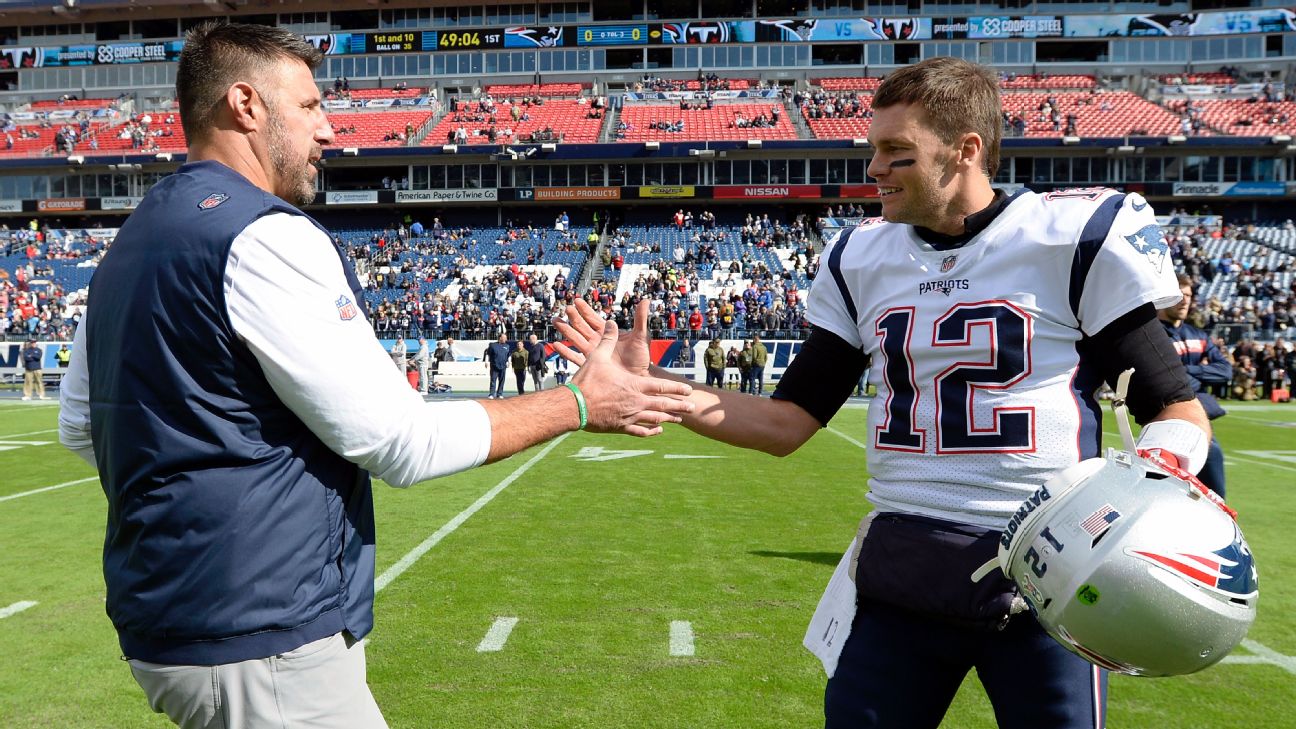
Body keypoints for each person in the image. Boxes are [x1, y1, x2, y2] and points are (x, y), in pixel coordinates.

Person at [56, 22, 692, 729]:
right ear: (245, 105)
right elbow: (401, 441)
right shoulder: (264, 234)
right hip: (260, 634)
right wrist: (580, 401)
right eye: (307, 106)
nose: (328, 129)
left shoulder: (132, 237)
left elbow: (83, 425)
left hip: (168, 624)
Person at [556, 57, 1209, 729]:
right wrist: (662, 388)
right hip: (906, 569)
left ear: (966, 151)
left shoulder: (1066, 237)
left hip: (1045, 574)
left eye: (896, 152)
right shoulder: (862, 258)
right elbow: (788, 421)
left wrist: (1126, 509)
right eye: (873, 148)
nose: (873, 168)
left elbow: (1178, 414)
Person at [1158, 273, 1231, 497]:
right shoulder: (1152, 334)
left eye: (1188, 295)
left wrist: (1187, 370)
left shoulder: (1197, 334)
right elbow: (1164, 377)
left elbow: (1225, 371)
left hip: (1197, 414)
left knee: (1209, 485)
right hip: (1167, 416)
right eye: (1179, 294)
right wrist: (1199, 372)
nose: (1185, 300)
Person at [484, 332, 511, 399]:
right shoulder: (493, 345)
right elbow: (488, 354)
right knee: (493, 380)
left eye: (506, 337)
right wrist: (486, 362)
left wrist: (509, 362)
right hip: (494, 366)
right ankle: (491, 394)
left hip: (503, 366)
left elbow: (509, 355)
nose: (506, 339)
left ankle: (499, 394)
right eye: (504, 337)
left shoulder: (507, 346)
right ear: (500, 338)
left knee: (502, 381)